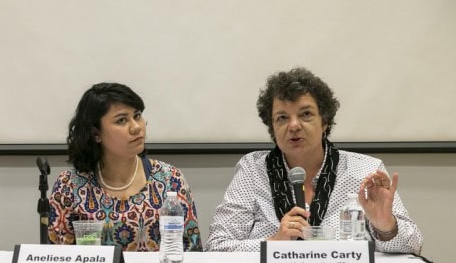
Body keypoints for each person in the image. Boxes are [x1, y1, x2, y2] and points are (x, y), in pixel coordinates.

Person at [206, 67, 423, 253]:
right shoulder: (253, 169)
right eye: (282, 118)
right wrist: (273, 243)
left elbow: (413, 246)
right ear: (272, 127)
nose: (293, 126)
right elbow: (217, 246)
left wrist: (385, 225)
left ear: (325, 122)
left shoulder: (366, 171)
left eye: (306, 114)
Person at [48, 82, 202, 251]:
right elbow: (57, 259)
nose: (136, 127)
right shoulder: (69, 186)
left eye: (137, 116)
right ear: (96, 134)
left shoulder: (170, 179)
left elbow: (192, 251)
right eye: (121, 120)